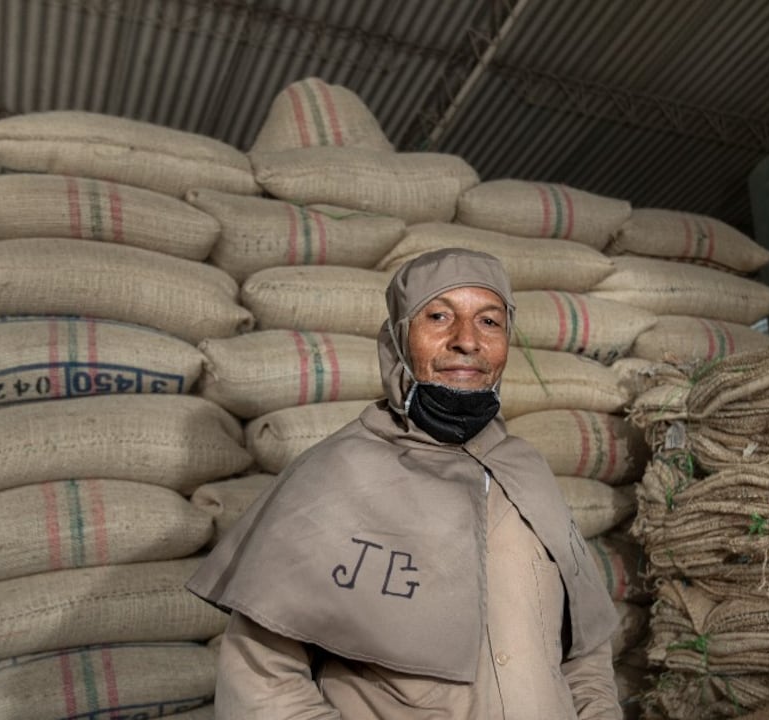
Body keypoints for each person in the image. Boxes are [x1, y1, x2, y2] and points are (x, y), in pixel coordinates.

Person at [188, 247, 621, 718]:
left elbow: (585, 652)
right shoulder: (335, 476)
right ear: (398, 338)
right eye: (439, 317)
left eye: (489, 322)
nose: (467, 341)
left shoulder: (527, 475)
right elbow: (260, 681)